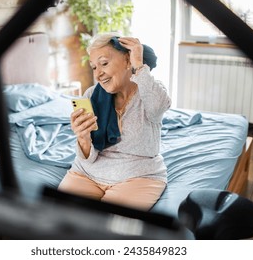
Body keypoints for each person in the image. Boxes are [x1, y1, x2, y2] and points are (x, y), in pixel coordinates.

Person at [58, 33, 172, 211]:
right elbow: (87, 157)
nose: (98, 74)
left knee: (107, 229)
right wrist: (82, 138)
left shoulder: (149, 91)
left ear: (128, 61)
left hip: (138, 176)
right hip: (87, 173)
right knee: (58, 217)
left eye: (104, 63)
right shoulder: (90, 96)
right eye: (94, 67)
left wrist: (139, 66)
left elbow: (160, 105)